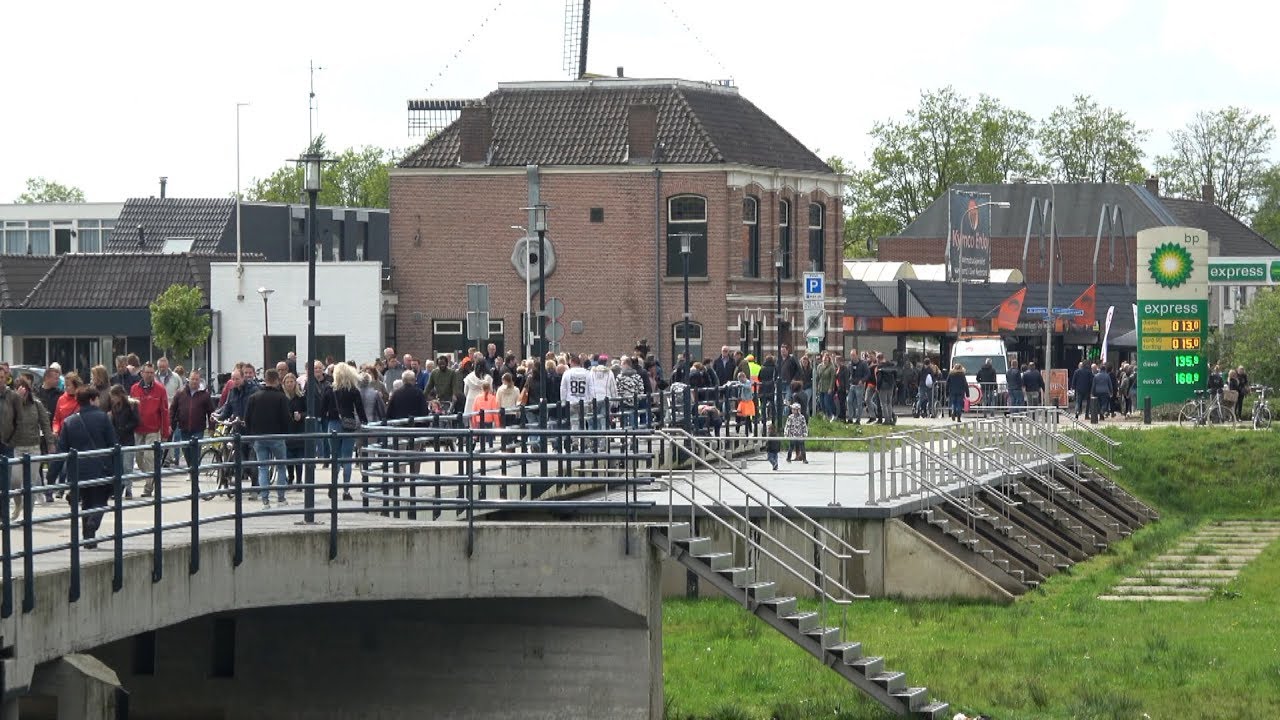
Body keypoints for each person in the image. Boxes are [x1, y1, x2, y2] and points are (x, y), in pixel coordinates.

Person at [49, 387, 117, 548]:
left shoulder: (70, 421)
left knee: (86, 503)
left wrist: (52, 475)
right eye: (98, 398)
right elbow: (114, 445)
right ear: (92, 400)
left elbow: (61, 451)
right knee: (100, 501)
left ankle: (88, 539)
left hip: (78, 471)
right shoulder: (103, 418)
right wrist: (117, 470)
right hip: (101, 468)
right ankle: (92, 524)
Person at [243, 368, 291, 508]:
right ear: (277, 381)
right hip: (277, 436)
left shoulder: (254, 397)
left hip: (259, 437)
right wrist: (285, 433)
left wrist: (252, 434)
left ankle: (265, 500)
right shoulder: (281, 397)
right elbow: (286, 419)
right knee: (281, 466)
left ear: (265, 379)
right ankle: (281, 498)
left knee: (263, 468)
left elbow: (247, 418)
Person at [322, 362, 367, 500]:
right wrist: (364, 422)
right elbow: (360, 409)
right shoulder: (353, 390)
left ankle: (333, 486)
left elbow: (322, 409)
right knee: (347, 458)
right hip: (349, 424)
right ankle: (346, 491)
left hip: (333, 424)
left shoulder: (329, 389)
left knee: (335, 457)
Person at [10, 376, 53, 517]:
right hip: (17, 447)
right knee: (15, 481)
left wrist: (50, 442)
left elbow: (45, 423)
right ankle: (18, 504)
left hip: (33, 447)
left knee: (31, 483)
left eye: (25, 391)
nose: (23, 395)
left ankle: (28, 514)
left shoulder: (36, 404)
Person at [130, 363, 171, 498]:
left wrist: (165, 432)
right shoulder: (134, 389)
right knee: (139, 458)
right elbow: (131, 409)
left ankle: (148, 487)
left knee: (149, 457)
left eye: (152, 373)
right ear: (142, 373)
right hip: (138, 429)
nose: (149, 375)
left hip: (153, 430)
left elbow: (165, 411)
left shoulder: (160, 389)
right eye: (147, 372)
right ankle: (151, 476)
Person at [170, 370, 214, 469]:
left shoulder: (205, 395)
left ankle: (194, 471)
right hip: (183, 428)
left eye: (196, 379)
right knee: (186, 451)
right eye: (192, 379)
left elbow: (211, 412)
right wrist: (170, 423)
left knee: (195, 452)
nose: (194, 381)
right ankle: (192, 469)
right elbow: (172, 409)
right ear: (188, 379)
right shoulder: (180, 393)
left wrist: (211, 427)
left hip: (198, 429)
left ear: (199, 380)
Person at [105, 385, 139, 498]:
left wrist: (125, 428)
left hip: (128, 439)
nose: (112, 399)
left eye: (114, 397)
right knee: (118, 467)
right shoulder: (114, 407)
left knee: (127, 466)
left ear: (119, 395)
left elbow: (136, 421)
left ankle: (128, 489)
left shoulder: (131, 405)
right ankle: (119, 488)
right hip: (118, 440)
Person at [282, 373, 308, 487]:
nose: (289, 384)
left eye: (291, 382)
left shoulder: (301, 397)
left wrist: (301, 416)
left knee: (298, 457)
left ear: (295, 383)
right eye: (287, 382)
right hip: (287, 429)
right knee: (289, 456)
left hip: (299, 429)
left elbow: (308, 411)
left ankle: (299, 479)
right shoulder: (282, 397)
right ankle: (291, 477)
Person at [53, 372, 83, 438]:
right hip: (63, 435)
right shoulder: (61, 399)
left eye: (68, 385)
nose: (65, 388)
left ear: (76, 386)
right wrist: (55, 430)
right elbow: (56, 419)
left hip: (79, 435)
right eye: (65, 385)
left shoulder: (82, 399)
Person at [815, 352, 836, 421]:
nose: (825, 360)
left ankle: (831, 415)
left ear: (828, 359)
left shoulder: (831, 367)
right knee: (821, 403)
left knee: (827, 402)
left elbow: (833, 378)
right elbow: (817, 377)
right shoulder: (819, 366)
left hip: (828, 388)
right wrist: (816, 386)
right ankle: (825, 415)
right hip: (821, 387)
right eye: (824, 358)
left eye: (826, 359)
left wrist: (830, 388)